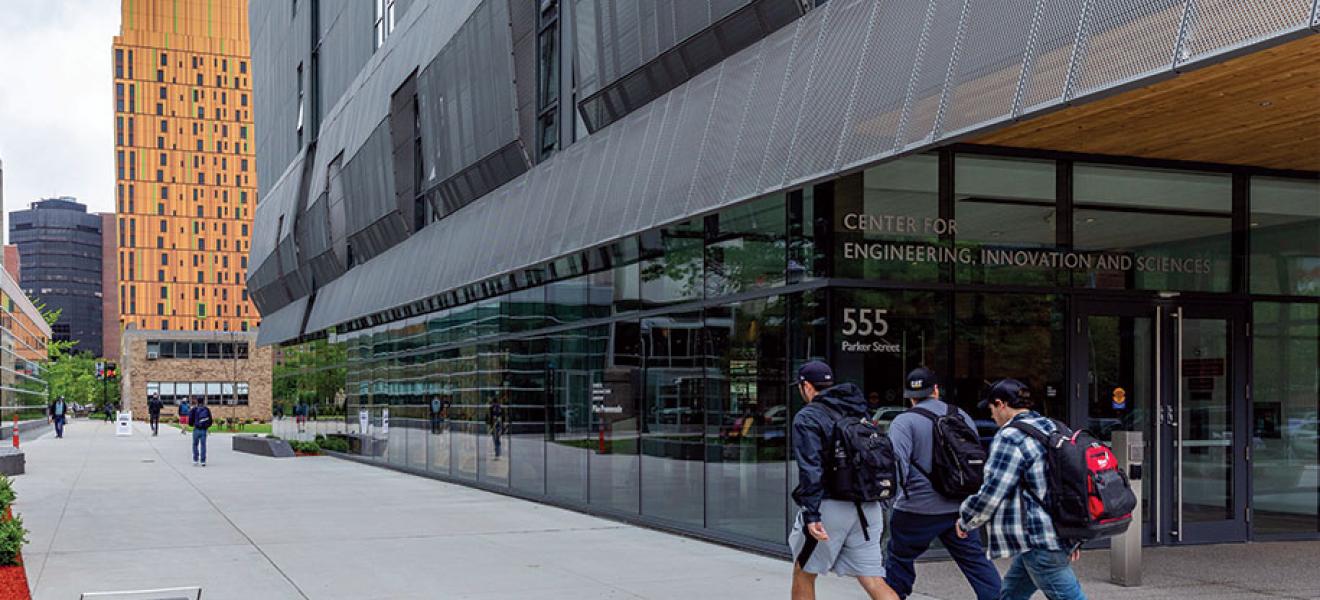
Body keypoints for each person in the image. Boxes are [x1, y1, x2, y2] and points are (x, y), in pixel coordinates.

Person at [956, 379, 1086, 600]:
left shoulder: (1010, 436)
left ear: (1001, 404)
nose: (992, 416)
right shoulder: (1053, 427)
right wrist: (1073, 534)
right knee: (1010, 595)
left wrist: (966, 519)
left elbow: (993, 490)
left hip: (1039, 539)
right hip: (1053, 535)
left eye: (991, 410)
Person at [884, 368, 1001, 600]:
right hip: (960, 507)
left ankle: (895, 596)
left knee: (899, 560)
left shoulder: (904, 422)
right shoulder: (961, 415)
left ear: (910, 396)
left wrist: (888, 502)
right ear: (936, 390)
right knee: (975, 562)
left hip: (917, 509)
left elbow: (897, 466)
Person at [788, 360, 899, 600]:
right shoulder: (858, 411)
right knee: (872, 580)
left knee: (803, 571)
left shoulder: (808, 417)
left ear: (806, 387)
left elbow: (811, 469)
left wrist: (811, 514)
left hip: (831, 508)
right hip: (868, 507)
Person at [189, 397, 213, 466]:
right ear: (203, 401)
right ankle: (203, 461)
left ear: (197, 401)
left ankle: (195, 459)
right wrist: (207, 426)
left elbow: (190, 419)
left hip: (196, 429)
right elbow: (210, 420)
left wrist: (192, 424)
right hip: (204, 430)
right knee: (203, 445)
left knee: (195, 444)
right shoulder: (206, 409)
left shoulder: (194, 409)